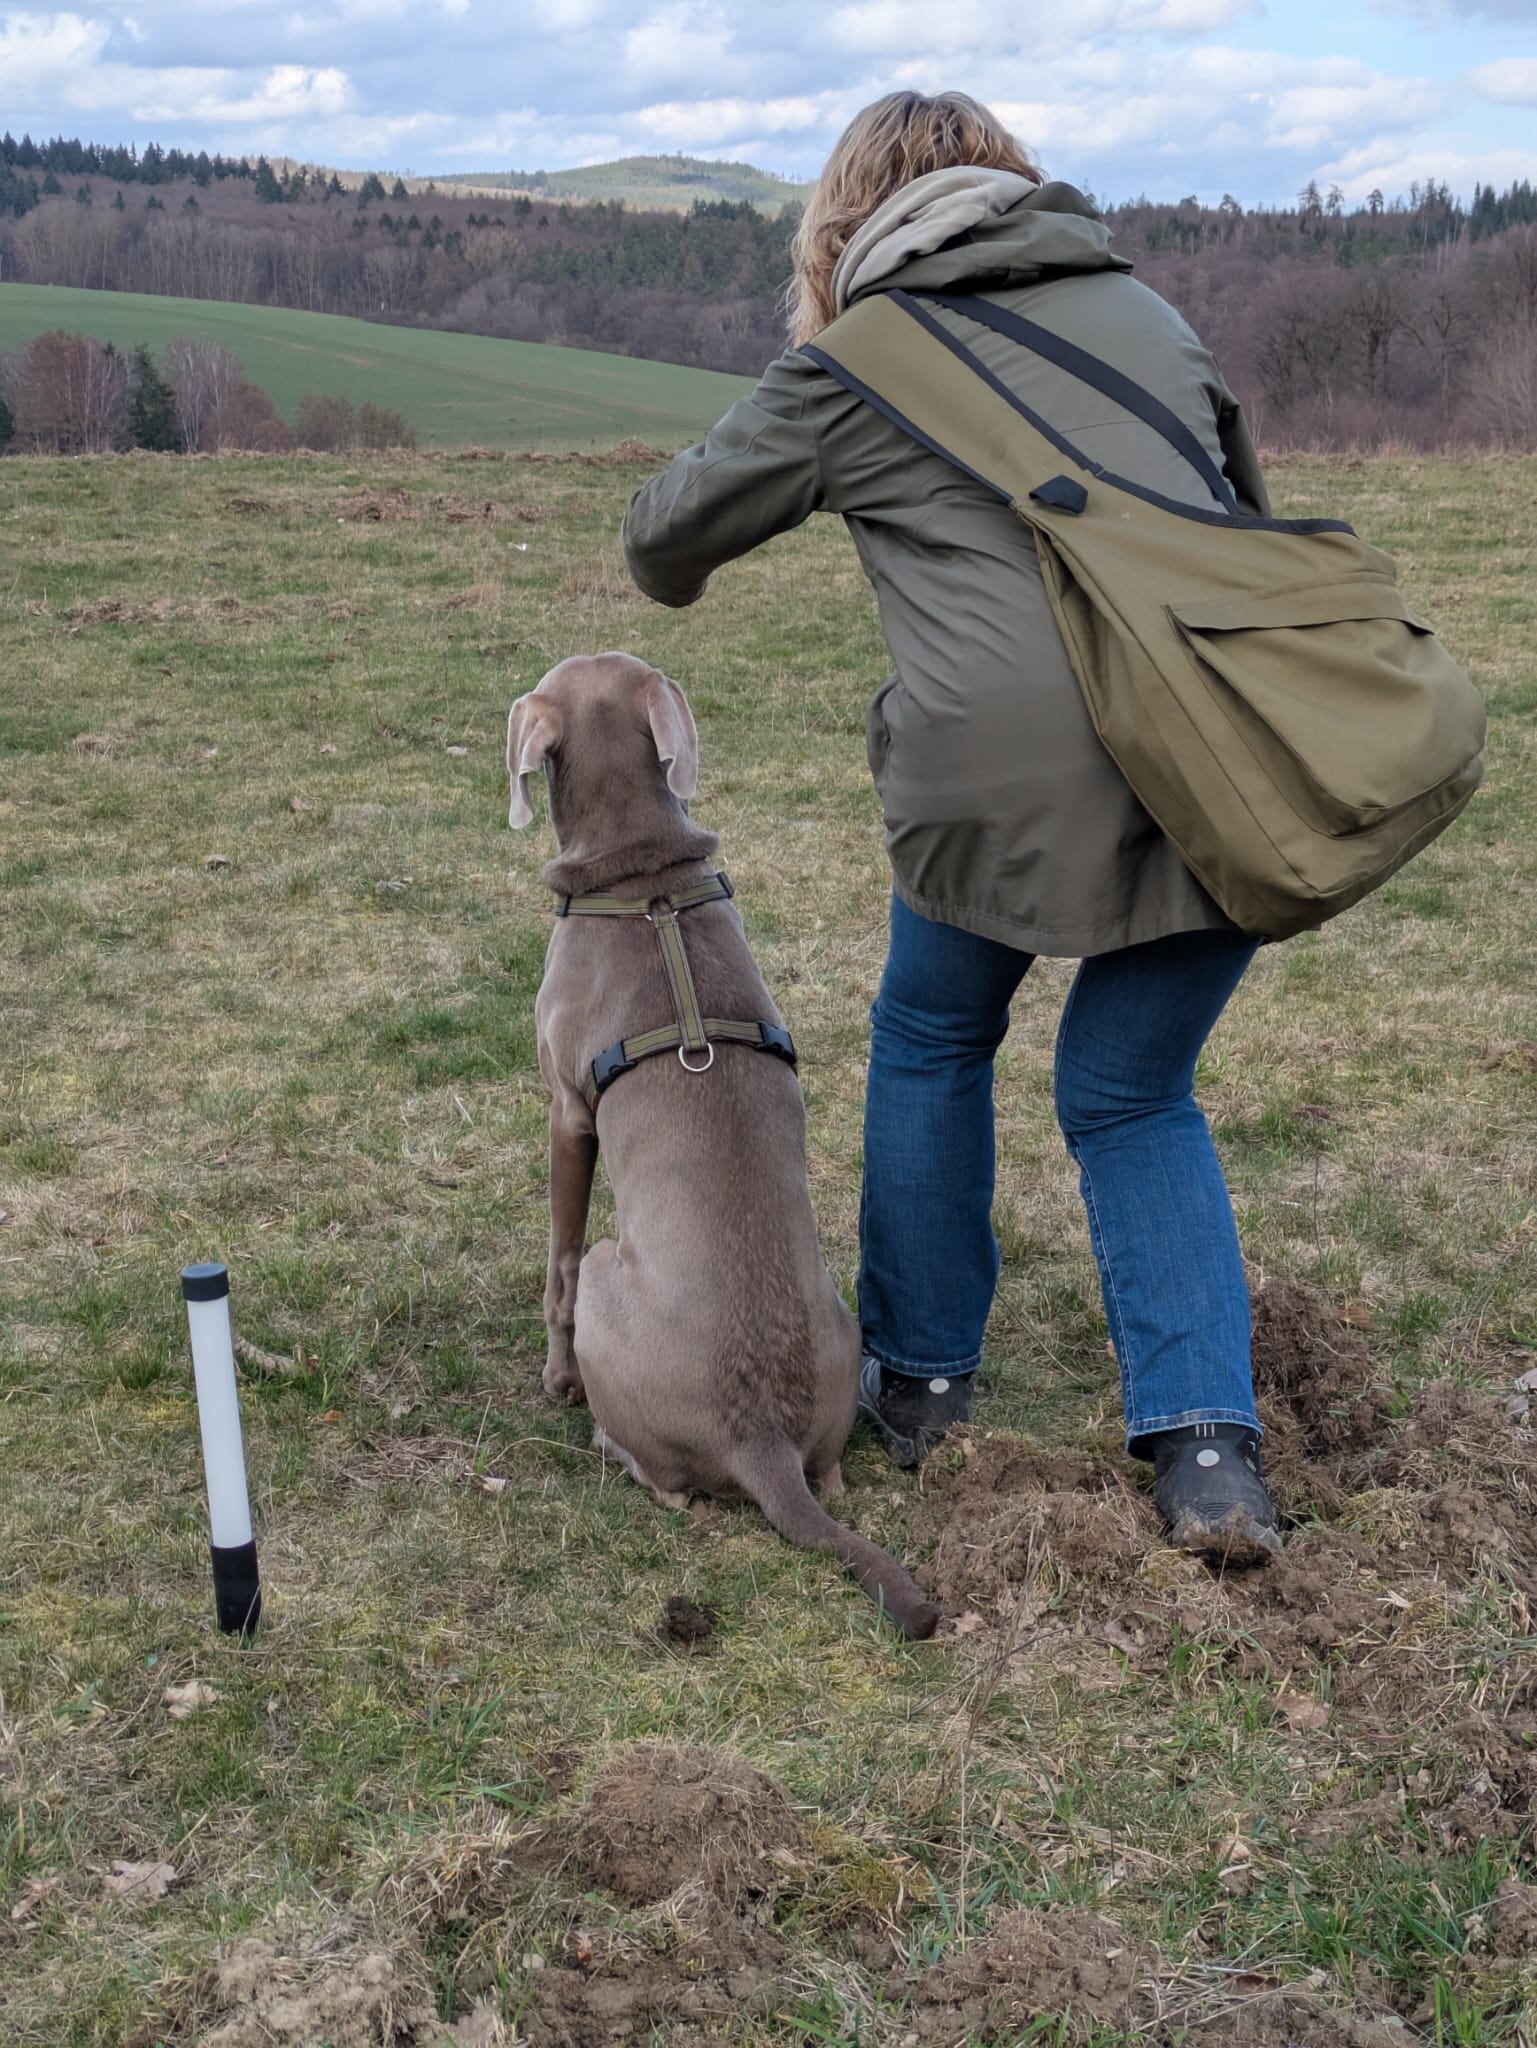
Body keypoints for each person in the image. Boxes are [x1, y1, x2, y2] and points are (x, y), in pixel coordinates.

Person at [621, 91, 1281, 1565]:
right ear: (1013, 190)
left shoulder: (858, 364)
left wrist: (806, 387)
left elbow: (662, 542)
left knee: (933, 1035)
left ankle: (918, 1385)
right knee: (1130, 1094)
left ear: (843, 221)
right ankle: (1208, 1454)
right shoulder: (1147, 313)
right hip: (1226, 759)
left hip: (992, 781)